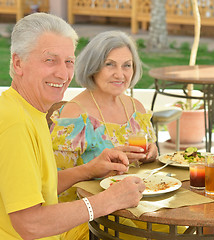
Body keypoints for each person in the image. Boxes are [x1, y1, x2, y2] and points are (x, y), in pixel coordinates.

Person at [0, 13, 145, 240]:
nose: (63, 73)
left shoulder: (29, 110)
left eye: (68, 61)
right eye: (50, 60)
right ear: (18, 63)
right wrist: (108, 200)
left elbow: (37, 187)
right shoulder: (14, 122)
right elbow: (30, 224)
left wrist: (89, 169)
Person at [50, 30, 158, 203]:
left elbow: (147, 164)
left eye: (127, 65)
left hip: (139, 203)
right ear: (93, 67)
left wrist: (150, 155)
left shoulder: (137, 108)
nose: (120, 74)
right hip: (91, 216)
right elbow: (53, 185)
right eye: (110, 64)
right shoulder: (74, 116)